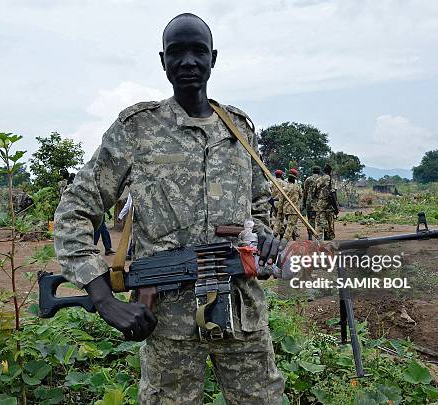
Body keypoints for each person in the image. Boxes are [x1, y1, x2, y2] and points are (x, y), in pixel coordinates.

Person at [54, 13, 285, 404]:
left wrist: (261, 236)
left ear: (214, 57)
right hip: (166, 323)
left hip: (241, 313)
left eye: (198, 52)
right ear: (163, 61)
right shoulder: (137, 128)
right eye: (177, 53)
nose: (188, 62)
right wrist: (102, 297)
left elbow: (259, 203)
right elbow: (75, 210)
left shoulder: (239, 130)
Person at [314, 164, 336, 240]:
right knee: (330, 223)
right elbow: (333, 194)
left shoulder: (319, 180)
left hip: (320, 204)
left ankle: (319, 241)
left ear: (324, 171)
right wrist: (336, 208)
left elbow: (315, 193)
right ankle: (328, 240)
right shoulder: (331, 180)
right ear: (330, 171)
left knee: (320, 222)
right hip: (329, 205)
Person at [282, 169, 303, 241]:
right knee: (291, 225)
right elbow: (301, 196)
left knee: (290, 224)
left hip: (286, 209)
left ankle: (294, 239)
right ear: (294, 179)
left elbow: (282, 200)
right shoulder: (297, 187)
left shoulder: (284, 188)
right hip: (294, 210)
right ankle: (285, 240)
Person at [302, 166, 321, 240]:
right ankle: (320, 236)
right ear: (319, 171)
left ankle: (310, 236)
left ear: (312, 171)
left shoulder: (308, 179)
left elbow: (305, 193)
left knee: (310, 220)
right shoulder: (322, 180)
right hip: (320, 204)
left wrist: (303, 204)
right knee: (320, 220)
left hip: (309, 203)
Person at [272, 169, 286, 237]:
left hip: (273, 202)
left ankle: (274, 231)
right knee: (281, 218)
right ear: (281, 175)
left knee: (274, 217)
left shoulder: (271, 182)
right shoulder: (284, 183)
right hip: (281, 202)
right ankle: (281, 232)